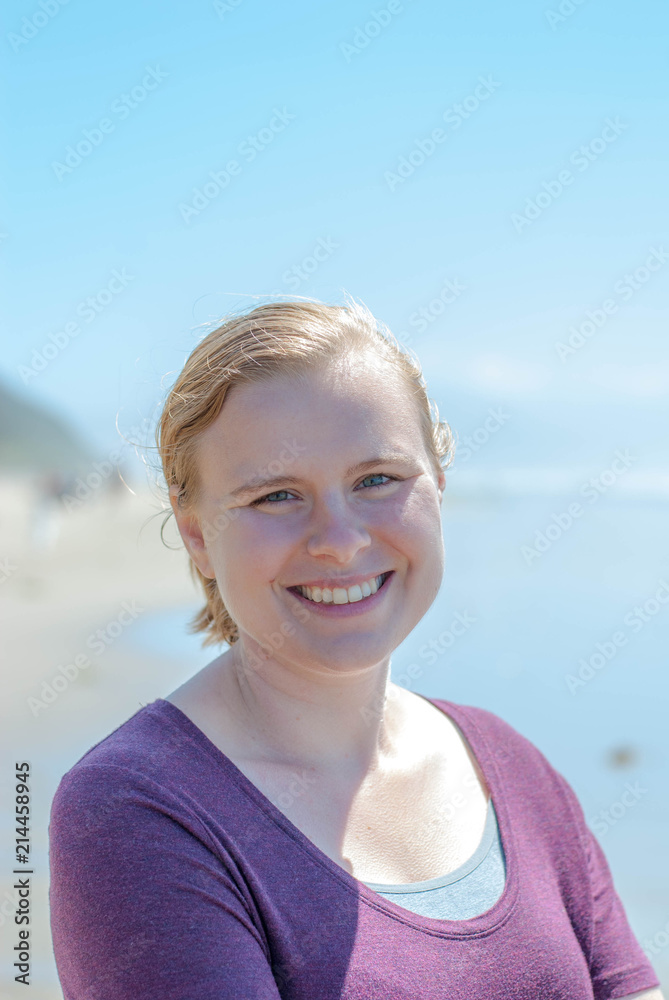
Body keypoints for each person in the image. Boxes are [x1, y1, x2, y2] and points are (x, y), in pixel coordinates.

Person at [48, 298, 663, 999]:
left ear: (437, 485)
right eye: (276, 495)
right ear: (196, 535)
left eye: (376, 480)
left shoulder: (513, 772)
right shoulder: (139, 811)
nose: (339, 540)